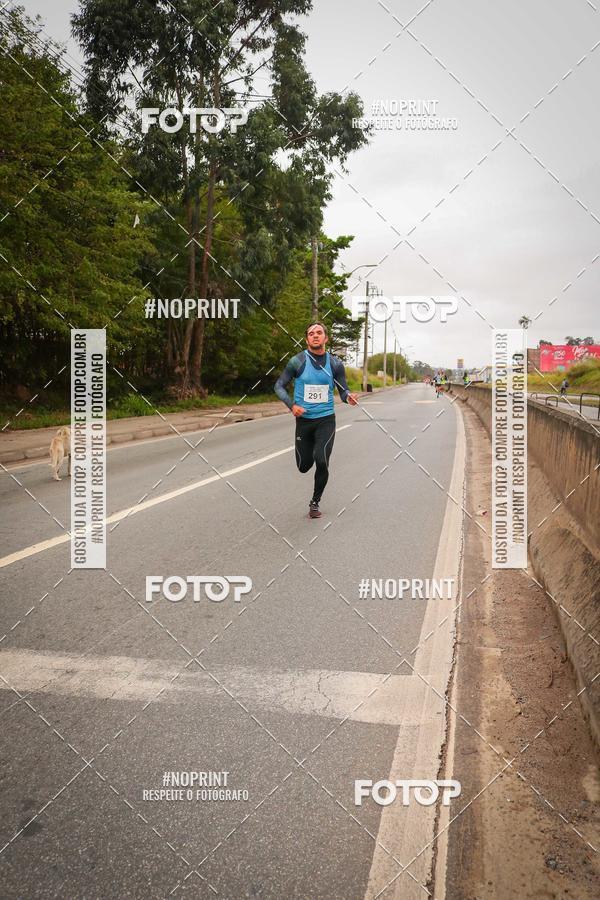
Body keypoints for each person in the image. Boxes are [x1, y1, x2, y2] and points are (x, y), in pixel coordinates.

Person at [274, 322, 359, 518]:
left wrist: (349, 397)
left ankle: (315, 502)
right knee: (304, 466)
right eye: (311, 333)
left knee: (321, 460)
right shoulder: (297, 361)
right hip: (304, 421)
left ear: (325, 338)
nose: (315, 335)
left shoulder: (335, 364)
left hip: (326, 420)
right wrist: (292, 405)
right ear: (306, 339)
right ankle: (311, 450)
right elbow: (278, 386)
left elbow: (343, 391)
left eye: (319, 332)